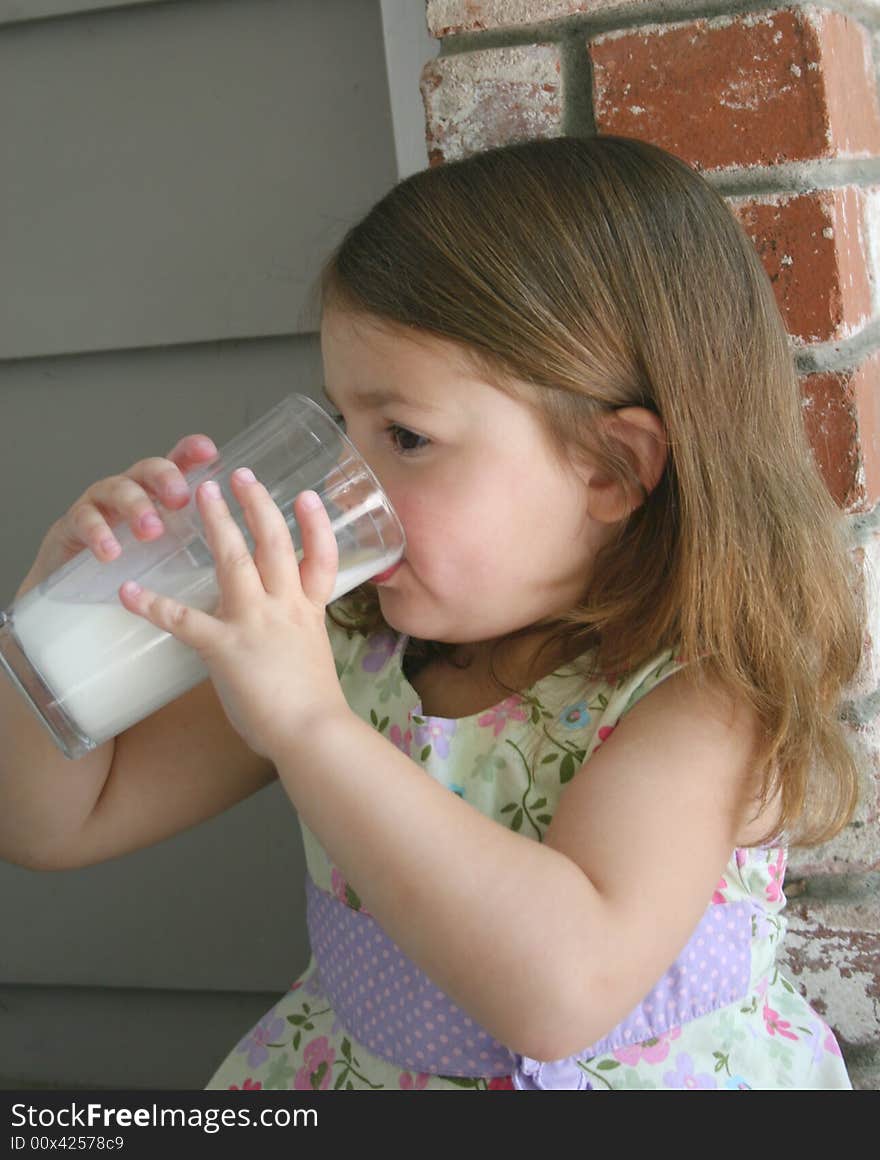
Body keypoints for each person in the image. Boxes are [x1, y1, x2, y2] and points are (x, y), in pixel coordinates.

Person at [0, 136, 865, 1090]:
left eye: (405, 436)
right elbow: (53, 826)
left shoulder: (699, 700)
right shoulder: (341, 644)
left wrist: (307, 728)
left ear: (612, 470)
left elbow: (561, 991)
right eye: (339, 427)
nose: (339, 482)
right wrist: (53, 619)